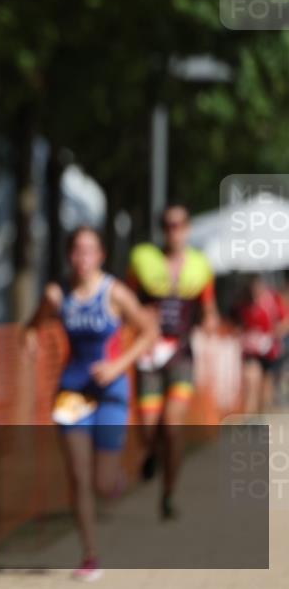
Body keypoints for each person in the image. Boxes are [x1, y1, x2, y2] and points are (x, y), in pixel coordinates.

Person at [25, 227, 157, 581]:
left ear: (100, 256)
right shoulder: (58, 294)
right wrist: (31, 336)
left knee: (102, 482)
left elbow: (148, 332)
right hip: (72, 391)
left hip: (112, 392)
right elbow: (33, 323)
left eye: (90, 251)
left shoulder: (115, 293)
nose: (82, 258)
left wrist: (117, 365)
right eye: (77, 251)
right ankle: (90, 555)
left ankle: (114, 479)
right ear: (70, 255)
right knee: (79, 477)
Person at [126, 204, 218, 519]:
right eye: (168, 225)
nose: (174, 230)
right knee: (150, 429)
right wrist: (139, 317)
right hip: (149, 355)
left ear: (188, 228)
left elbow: (209, 311)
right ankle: (152, 453)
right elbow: (126, 302)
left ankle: (168, 494)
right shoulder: (143, 262)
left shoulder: (200, 267)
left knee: (173, 425)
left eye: (179, 225)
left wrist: (210, 324)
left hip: (181, 354)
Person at [237, 275, 289, 414]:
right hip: (252, 352)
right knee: (252, 380)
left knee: (265, 388)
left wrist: (273, 334)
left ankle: (262, 414)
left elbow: (285, 321)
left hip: (270, 350)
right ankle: (249, 417)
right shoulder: (245, 303)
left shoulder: (273, 300)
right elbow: (240, 325)